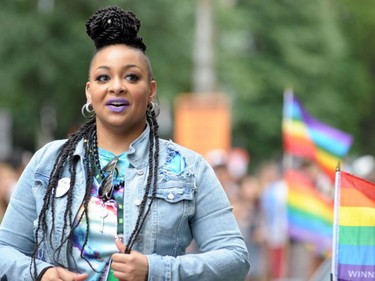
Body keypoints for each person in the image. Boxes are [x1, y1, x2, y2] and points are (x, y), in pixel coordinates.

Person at [0, 6, 249, 281]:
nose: (117, 87)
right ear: (89, 91)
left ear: (151, 90)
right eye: (103, 77)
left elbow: (235, 258)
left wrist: (155, 270)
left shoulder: (189, 168)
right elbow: (4, 250)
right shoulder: (48, 162)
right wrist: (42, 273)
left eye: (131, 76)